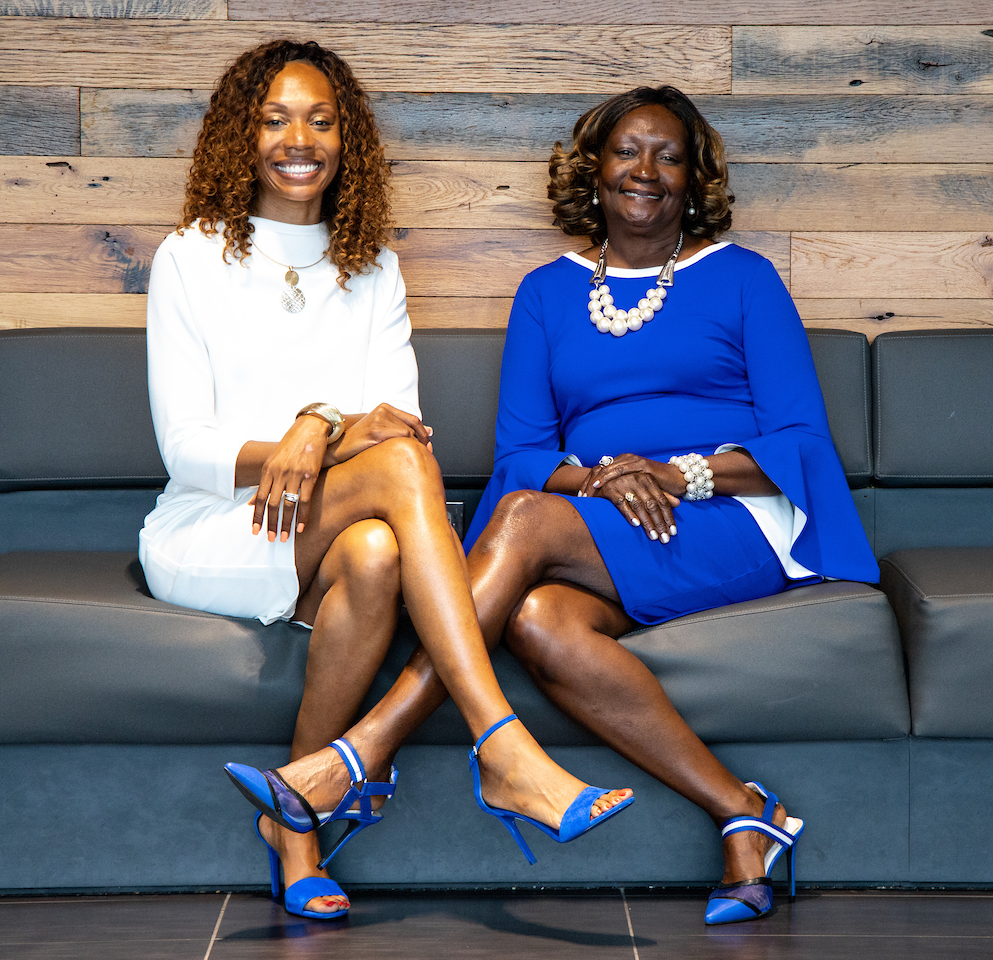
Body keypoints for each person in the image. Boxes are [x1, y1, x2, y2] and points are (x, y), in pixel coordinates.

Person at [255, 84, 879, 925]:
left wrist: (676, 474)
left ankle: (364, 750)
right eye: (628, 152)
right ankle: (747, 814)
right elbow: (521, 455)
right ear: (594, 169)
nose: (646, 171)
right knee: (540, 617)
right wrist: (603, 478)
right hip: (603, 515)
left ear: (696, 179)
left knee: (515, 524)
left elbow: (800, 442)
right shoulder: (548, 292)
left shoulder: (745, 279)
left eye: (669, 155)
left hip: (731, 518)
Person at [138, 39, 633, 922]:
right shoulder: (191, 258)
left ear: (348, 141)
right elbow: (187, 450)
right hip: (212, 527)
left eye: (322, 120)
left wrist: (314, 427)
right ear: (239, 137)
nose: (301, 138)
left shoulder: (373, 269)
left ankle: (295, 823)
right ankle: (502, 744)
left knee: (373, 553)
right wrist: (315, 432)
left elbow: (396, 429)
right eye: (277, 118)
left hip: (328, 528)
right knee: (391, 486)